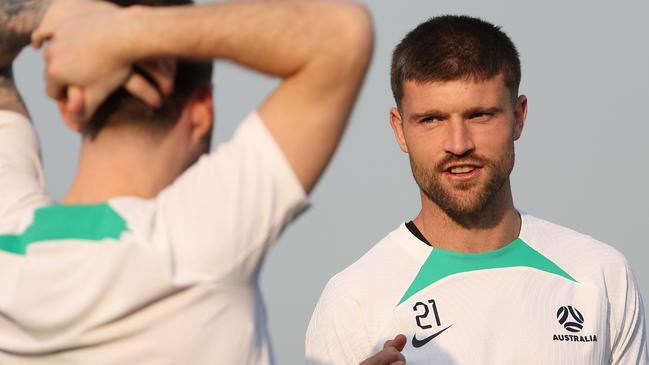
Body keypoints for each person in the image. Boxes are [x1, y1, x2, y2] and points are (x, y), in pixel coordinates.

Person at [0, 0, 373, 363]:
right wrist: (123, 33)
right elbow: (342, 32)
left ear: (70, 106)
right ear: (201, 112)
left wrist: (52, 14)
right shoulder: (197, 240)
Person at [305, 15, 648, 365]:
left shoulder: (601, 275)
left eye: (480, 115)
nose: (458, 144)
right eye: (431, 119)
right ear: (399, 129)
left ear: (519, 116)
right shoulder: (354, 300)